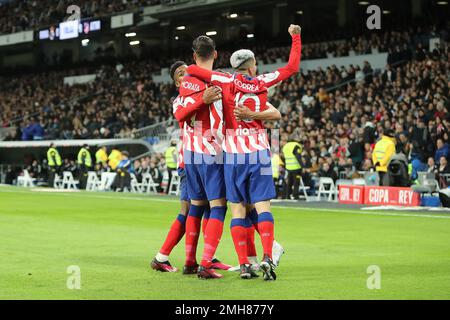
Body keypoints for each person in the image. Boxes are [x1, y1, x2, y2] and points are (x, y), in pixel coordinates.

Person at [185, 24, 301, 280]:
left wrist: (197, 64)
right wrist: (295, 36)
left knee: (237, 209)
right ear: (251, 66)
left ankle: (245, 266)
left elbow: (193, 70)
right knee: (263, 207)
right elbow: (292, 67)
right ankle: (268, 257)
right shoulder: (262, 81)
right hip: (259, 151)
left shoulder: (225, 80)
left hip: (233, 154)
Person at [151, 60, 227, 273]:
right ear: (177, 84)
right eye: (181, 75)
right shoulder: (180, 101)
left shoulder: (206, 91)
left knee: (206, 208)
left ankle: (206, 257)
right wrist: (204, 98)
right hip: (190, 160)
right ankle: (163, 256)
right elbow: (182, 115)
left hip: (205, 156)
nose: (187, 76)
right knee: (189, 210)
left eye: (188, 71)